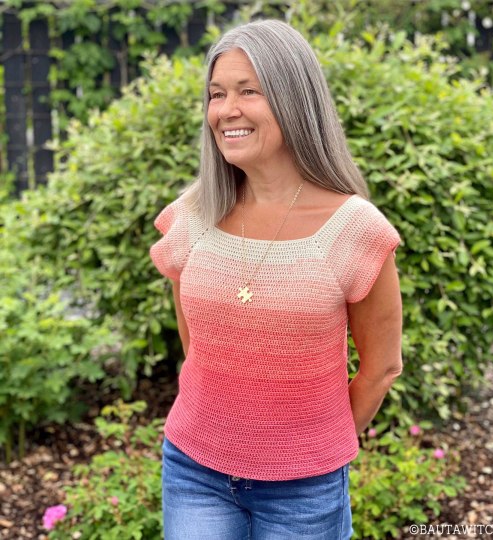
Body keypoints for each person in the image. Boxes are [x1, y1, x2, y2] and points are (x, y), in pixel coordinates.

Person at [149, 18, 403, 540]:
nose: (226, 110)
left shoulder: (354, 229)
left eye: (249, 91)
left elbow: (381, 367)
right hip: (194, 471)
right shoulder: (194, 214)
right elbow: (196, 342)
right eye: (217, 94)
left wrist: (314, 446)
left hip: (304, 491)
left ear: (294, 100)